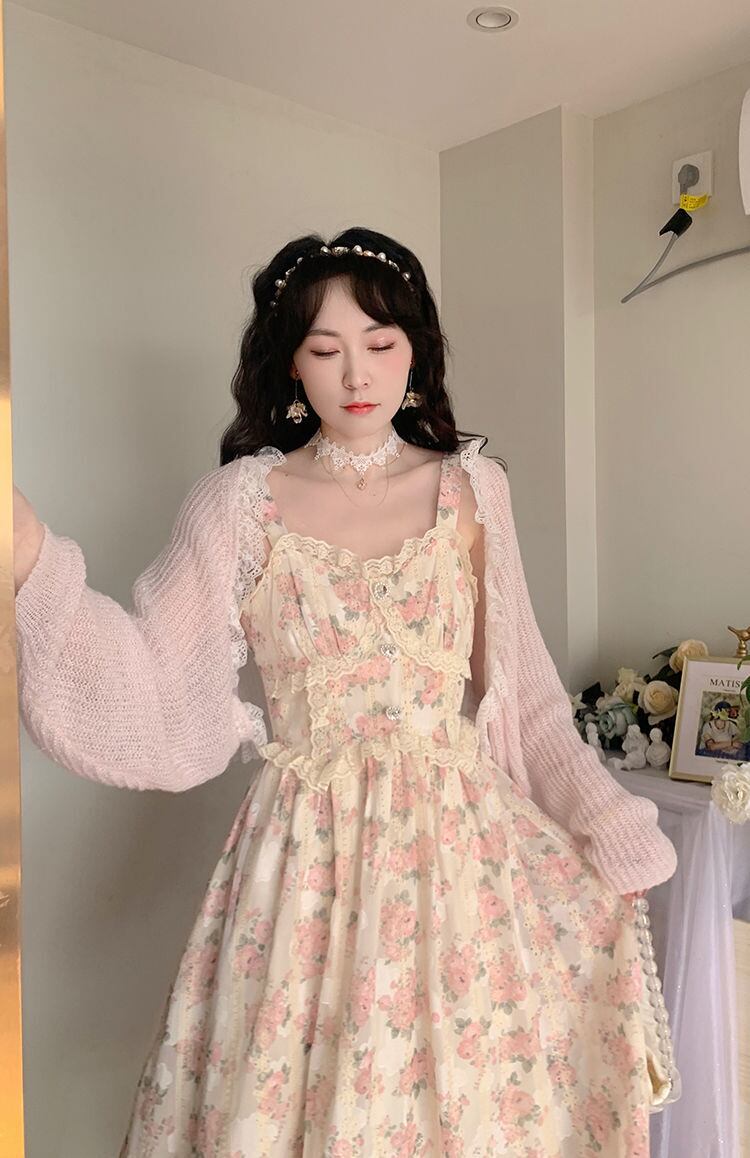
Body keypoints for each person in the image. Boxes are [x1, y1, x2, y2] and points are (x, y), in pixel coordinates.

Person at [14, 226, 681, 1155]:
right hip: (302, 869)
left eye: (380, 342)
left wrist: (607, 820)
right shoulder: (237, 504)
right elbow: (158, 679)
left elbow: (524, 696)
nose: (357, 374)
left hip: (461, 869)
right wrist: (31, 559)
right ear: (291, 364)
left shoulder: (474, 490)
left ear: (417, 351)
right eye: (325, 350)